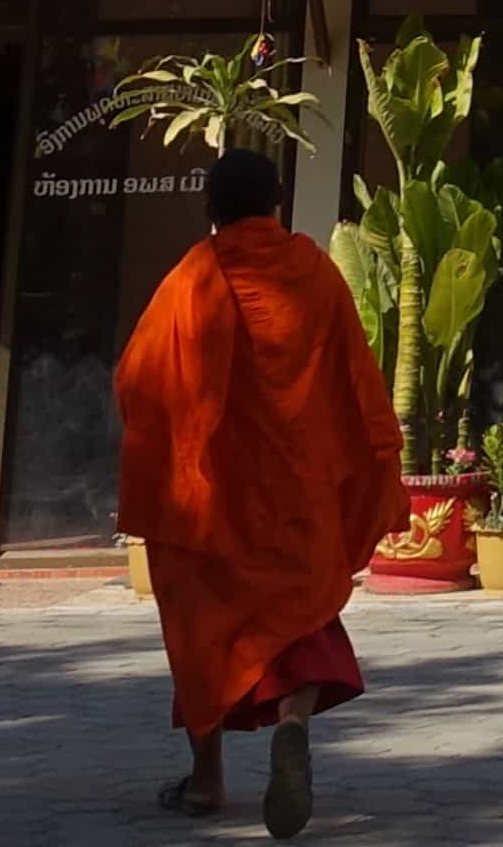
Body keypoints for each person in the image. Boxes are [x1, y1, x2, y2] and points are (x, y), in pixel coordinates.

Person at [117, 150, 408, 831]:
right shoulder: (314, 272)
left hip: (211, 498)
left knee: (203, 632)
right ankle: (293, 723)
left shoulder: (194, 278)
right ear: (277, 201)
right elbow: (357, 381)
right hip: (298, 492)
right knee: (302, 621)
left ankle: (207, 781)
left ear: (210, 209)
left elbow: (140, 379)